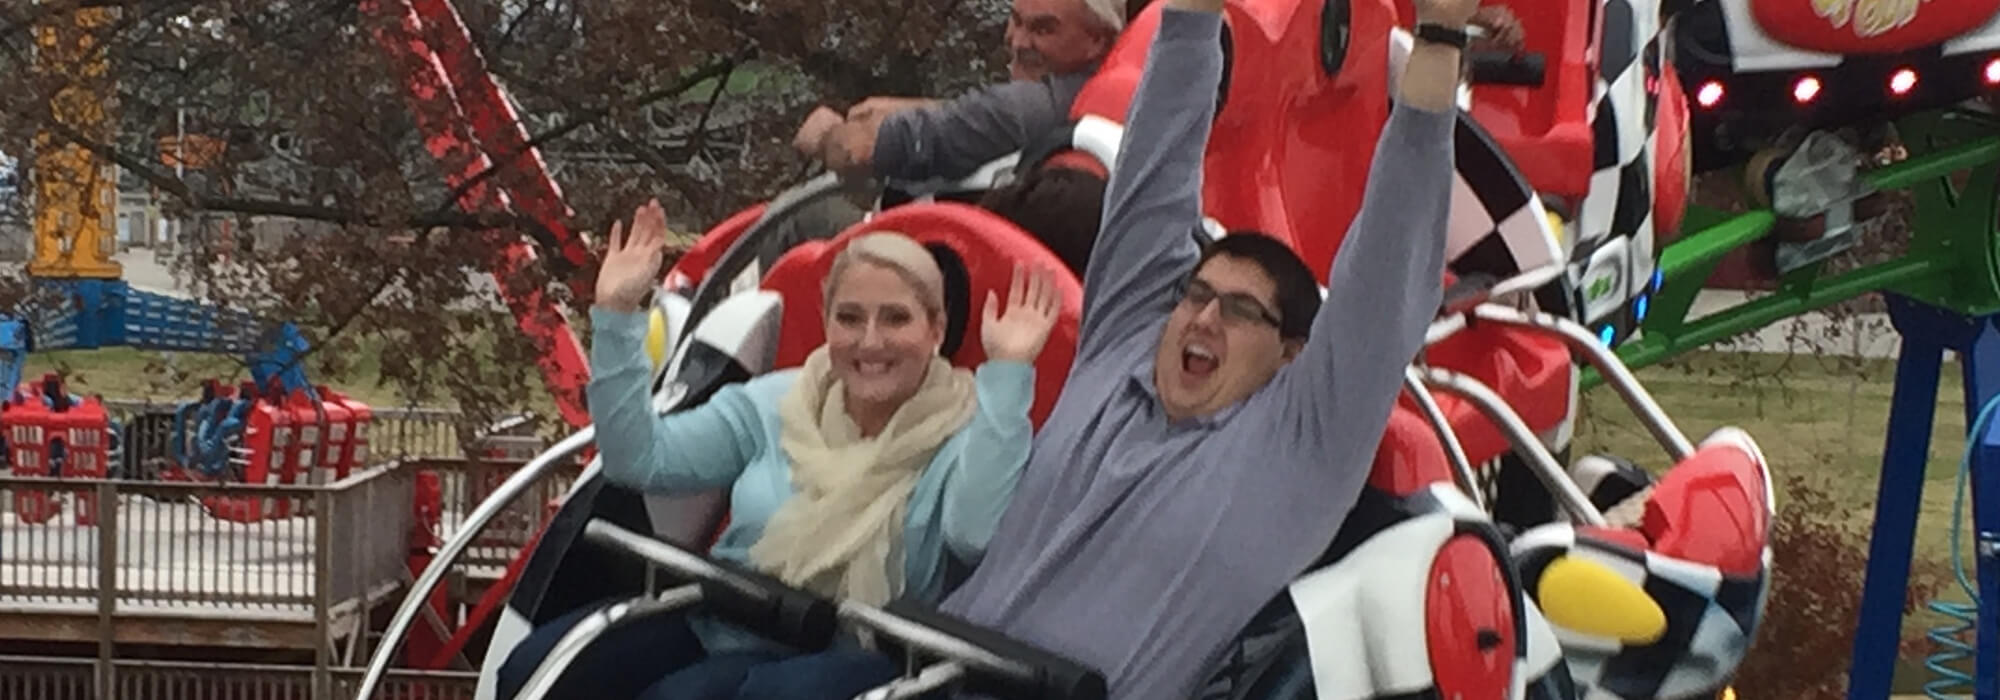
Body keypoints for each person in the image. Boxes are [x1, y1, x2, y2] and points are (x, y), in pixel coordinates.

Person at [765, 0, 1477, 695]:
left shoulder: (1300, 444)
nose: (1202, 319)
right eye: (1196, 295)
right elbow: (1155, 169)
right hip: (922, 666)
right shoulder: (1122, 349)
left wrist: (1440, 38)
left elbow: (1391, 257)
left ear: (1291, 353)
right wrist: (1194, 15)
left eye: (1239, 311)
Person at [494, 199, 1066, 700]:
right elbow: (639, 459)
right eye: (850, 318)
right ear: (825, 323)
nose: (871, 341)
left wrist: (1009, 373)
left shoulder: (969, 433)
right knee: (541, 663)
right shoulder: (773, 404)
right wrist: (618, 315)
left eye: (896, 319)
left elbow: (975, 534)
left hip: (858, 655)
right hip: (729, 621)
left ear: (936, 329)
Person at [791, 0, 1128, 184]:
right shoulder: (1108, 84)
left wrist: (826, 135)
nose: (1019, 41)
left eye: (1043, 29)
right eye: (1016, 20)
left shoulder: (1018, 111)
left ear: (1096, 39)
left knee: (796, 223)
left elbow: (861, 151)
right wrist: (927, 109)